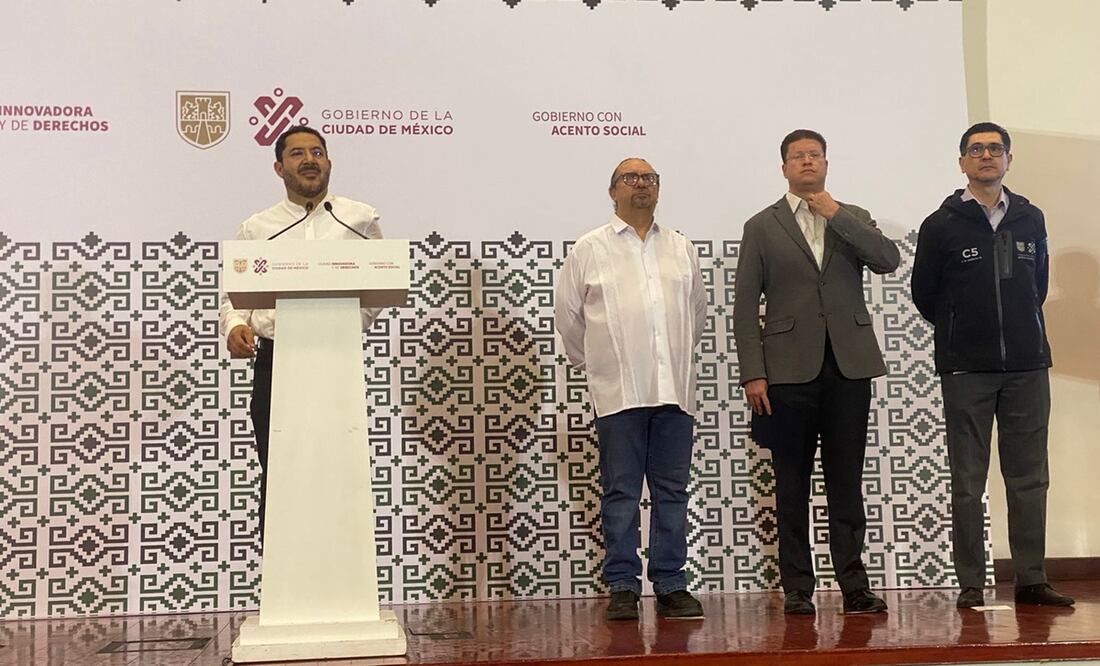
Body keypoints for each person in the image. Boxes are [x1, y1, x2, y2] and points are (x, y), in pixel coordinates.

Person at [733, 129, 900, 615]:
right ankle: (798, 588)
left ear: (826, 163)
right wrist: (752, 373)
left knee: (846, 481)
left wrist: (836, 214)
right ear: (783, 168)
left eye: (814, 155)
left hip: (849, 367)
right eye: (797, 157)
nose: (806, 162)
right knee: (791, 482)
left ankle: (854, 585)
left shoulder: (852, 217)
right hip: (786, 372)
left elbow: (887, 260)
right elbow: (746, 307)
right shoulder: (761, 226)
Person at [911, 122, 1073, 608]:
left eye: (995, 149)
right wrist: (962, 328)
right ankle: (971, 583)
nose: (986, 156)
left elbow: (1036, 286)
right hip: (966, 370)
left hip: (1027, 366)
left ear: (1007, 159)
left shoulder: (1030, 218)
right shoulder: (941, 224)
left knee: (1029, 477)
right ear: (962, 161)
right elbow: (925, 295)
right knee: (968, 479)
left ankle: (1031, 578)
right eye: (976, 150)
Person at [555, 158, 707, 620]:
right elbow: (569, 320)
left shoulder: (681, 248)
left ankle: (670, 582)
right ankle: (622, 584)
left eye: (649, 178)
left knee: (672, 492)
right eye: (631, 178)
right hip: (618, 391)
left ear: (658, 190)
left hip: (673, 391)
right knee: (620, 491)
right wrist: (603, 364)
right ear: (612, 191)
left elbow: (695, 316)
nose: (641, 184)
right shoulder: (589, 248)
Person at [218, 126, 383, 537]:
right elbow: (233, 294)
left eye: (317, 152)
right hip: (277, 359)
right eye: (297, 154)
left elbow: (381, 282)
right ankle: (283, 575)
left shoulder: (359, 219)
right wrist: (236, 324)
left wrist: (349, 321)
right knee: (280, 466)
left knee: (337, 464)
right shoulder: (258, 227)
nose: (309, 160)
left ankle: (342, 559)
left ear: (329, 162)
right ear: (279, 167)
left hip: (336, 357)